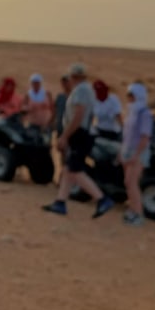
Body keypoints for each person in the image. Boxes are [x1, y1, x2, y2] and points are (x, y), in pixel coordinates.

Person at [42, 63, 115, 217]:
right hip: (81, 133)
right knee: (69, 169)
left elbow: (78, 115)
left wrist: (65, 136)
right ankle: (60, 202)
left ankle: (101, 199)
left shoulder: (82, 90)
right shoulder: (85, 90)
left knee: (76, 170)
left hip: (79, 134)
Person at [118, 83, 154, 227]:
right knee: (128, 182)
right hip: (128, 150)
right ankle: (132, 210)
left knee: (132, 183)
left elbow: (145, 137)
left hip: (138, 152)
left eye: (132, 96)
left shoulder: (144, 113)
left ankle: (138, 214)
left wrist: (136, 155)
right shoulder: (131, 111)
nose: (129, 98)